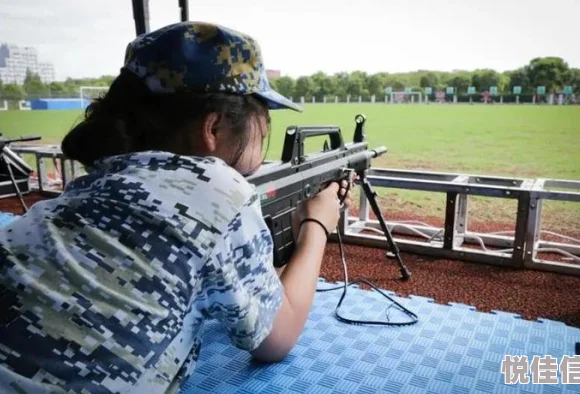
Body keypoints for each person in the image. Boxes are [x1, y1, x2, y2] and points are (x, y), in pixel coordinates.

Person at [0, 21, 352, 394]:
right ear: (213, 127)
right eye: (261, 128)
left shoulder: (87, 188)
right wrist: (317, 223)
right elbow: (277, 340)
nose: (262, 142)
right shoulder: (218, 190)